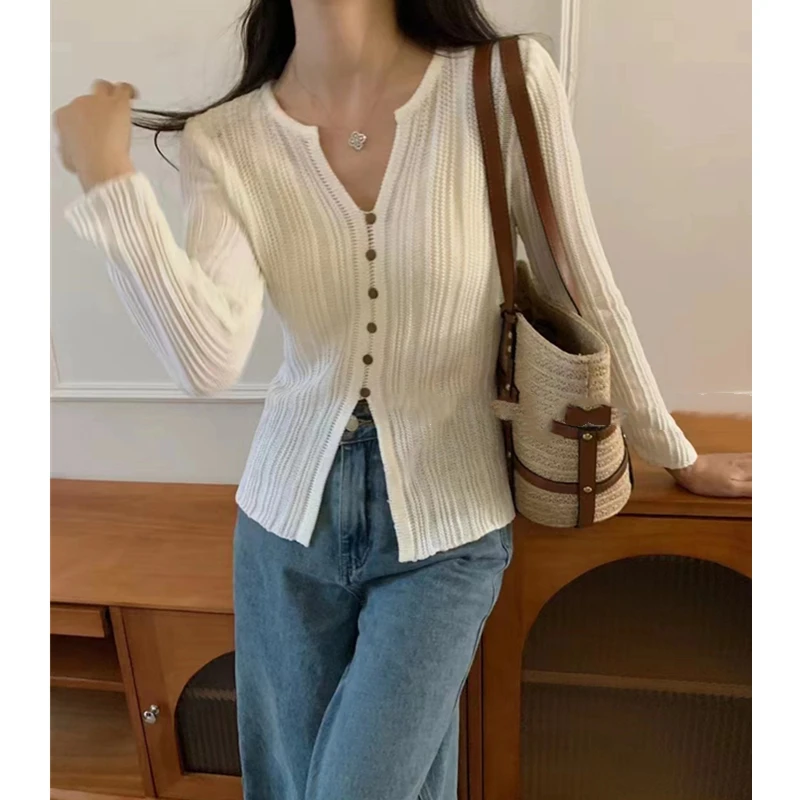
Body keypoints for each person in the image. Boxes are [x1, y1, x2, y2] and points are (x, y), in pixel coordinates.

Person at [53, 1, 752, 798]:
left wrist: (674, 453)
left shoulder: (502, 85)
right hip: (286, 530)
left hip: (448, 529)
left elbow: (583, 287)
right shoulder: (228, 137)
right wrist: (109, 181)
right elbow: (207, 358)